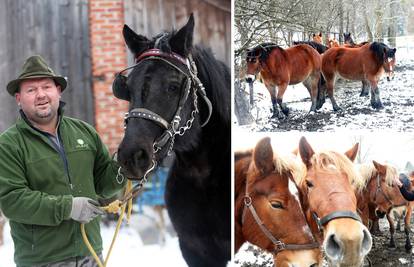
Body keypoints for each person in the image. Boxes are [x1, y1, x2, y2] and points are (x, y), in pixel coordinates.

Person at [0, 55, 126, 267]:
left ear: (58, 91)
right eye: (31, 90)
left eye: (46, 87)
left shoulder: (85, 132)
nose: (41, 95)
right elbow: (12, 201)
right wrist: (68, 207)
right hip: (42, 260)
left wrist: (125, 168)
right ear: (19, 98)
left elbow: (104, 185)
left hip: (91, 255)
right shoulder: (8, 144)